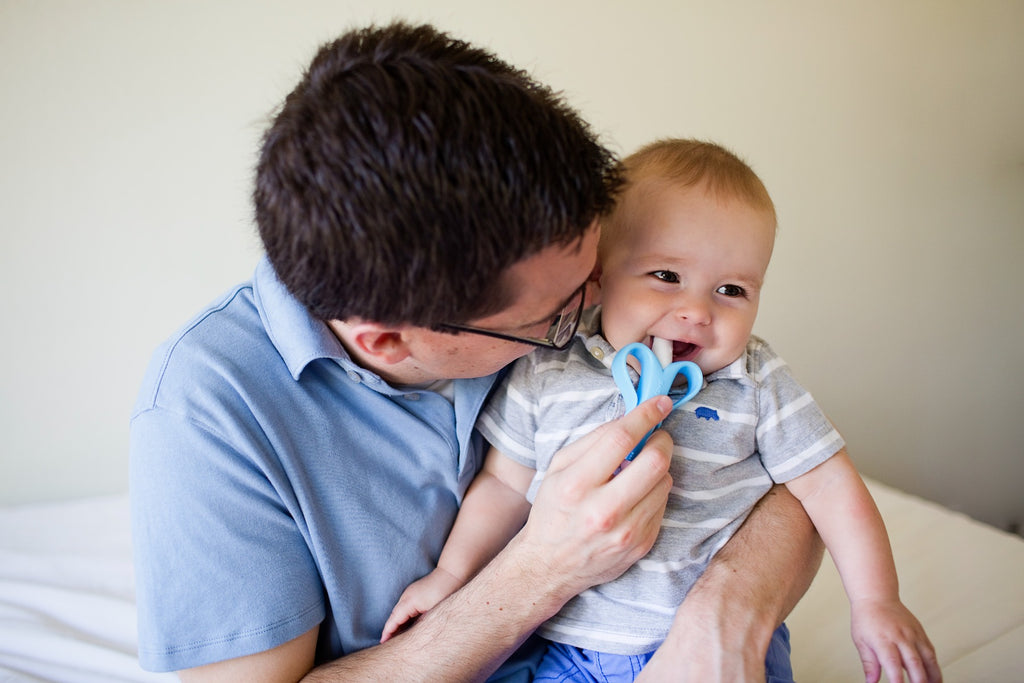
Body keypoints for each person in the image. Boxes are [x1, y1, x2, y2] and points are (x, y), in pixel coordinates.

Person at [129, 24, 823, 682]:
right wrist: (541, 569)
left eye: (597, 274)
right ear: (390, 340)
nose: (594, 313)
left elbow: (798, 469)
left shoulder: (578, 291)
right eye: (556, 317)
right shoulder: (205, 413)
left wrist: (725, 613)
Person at [383, 139, 943, 683]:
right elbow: (504, 487)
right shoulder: (549, 369)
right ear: (598, 276)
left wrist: (876, 601)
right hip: (563, 650)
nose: (697, 311)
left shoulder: (755, 378)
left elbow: (830, 488)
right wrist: (451, 574)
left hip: (712, 653)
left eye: (731, 289)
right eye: (667, 277)